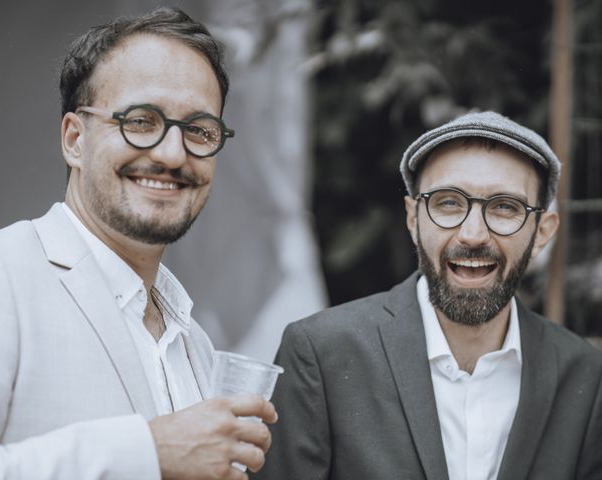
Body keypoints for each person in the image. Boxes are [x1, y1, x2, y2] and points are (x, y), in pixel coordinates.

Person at [0, 7, 277, 480]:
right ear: (74, 139)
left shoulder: (195, 344)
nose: (173, 154)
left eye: (199, 131)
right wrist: (150, 452)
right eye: (141, 120)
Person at [254, 111, 602, 480]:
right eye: (448, 203)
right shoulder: (321, 353)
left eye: (504, 207)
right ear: (413, 218)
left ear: (542, 232)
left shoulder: (586, 375)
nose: (472, 235)